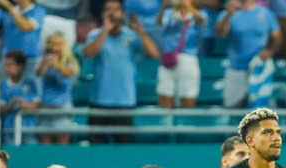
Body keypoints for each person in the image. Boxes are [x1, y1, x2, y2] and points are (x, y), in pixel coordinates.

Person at [84, 0, 159, 143]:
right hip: (100, 101)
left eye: (116, 9)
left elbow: (153, 54)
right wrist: (105, 30)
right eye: (108, 9)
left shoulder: (131, 35)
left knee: (124, 147)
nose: (112, 13)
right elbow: (89, 53)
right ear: (102, 14)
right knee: (96, 147)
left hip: (125, 101)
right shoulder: (95, 34)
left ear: (123, 13)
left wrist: (141, 32)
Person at [215, 0, 281, 108]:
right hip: (236, 69)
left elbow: (277, 37)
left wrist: (270, 51)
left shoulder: (266, 13)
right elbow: (220, 34)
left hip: (259, 69)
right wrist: (228, 14)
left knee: (261, 110)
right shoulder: (227, 13)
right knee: (233, 107)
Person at [156, 0, 206, 109]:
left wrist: (189, 8)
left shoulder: (199, 14)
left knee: (188, 99)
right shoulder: (169, 13)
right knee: (165, 97)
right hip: (168, 60)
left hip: (189, 59)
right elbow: (159, 23)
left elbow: (203, 21)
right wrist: (163, 8)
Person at [0, 0, 46, 84]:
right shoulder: (4, 11)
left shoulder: (38, 11)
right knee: (5, 87)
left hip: (30, 59)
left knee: (31, 88)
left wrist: (10, 8)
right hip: (9, 58)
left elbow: (25, 27)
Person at [36, 32, 79, 145]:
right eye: (53, 44)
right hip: (46, 106)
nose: (55, 48)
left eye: (58, 44)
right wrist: (45, 62)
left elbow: (68, 74)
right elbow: (38, 73)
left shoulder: (70, 62)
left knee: (62, 145)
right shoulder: (45, 60)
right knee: (45, 145)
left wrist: (57, 65)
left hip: (62, 107)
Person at [0, 49, 40, 145]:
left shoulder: (30, 84)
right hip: (9, 131)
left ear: (20, 66)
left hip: (28, 130)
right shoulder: (3, 86)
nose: (6, 68)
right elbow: (1, 109)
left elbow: (36, 104)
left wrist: (25, 105)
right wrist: (11, 105)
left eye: (10, 65)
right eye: (5, 65)